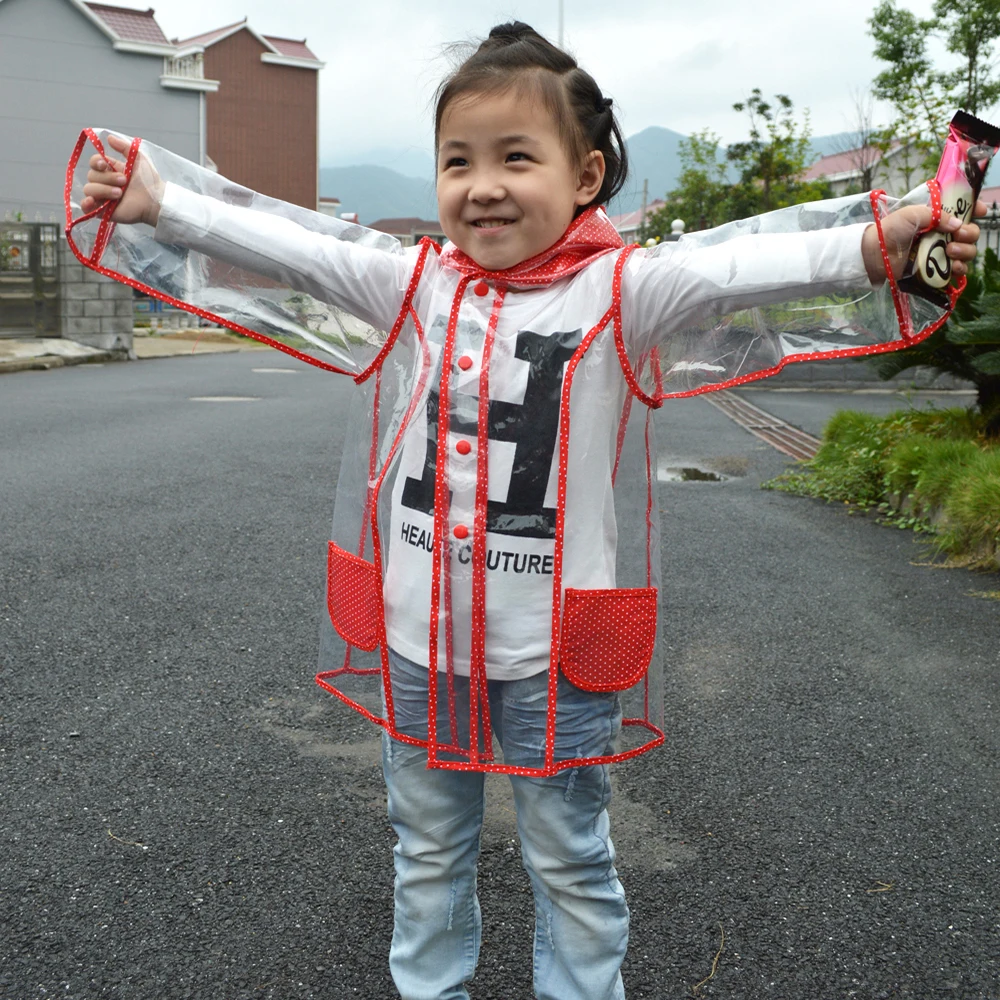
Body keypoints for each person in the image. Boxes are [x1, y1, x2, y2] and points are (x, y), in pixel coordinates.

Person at [79, 21, 984, 1000]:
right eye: (457, 160)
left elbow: (741, 267)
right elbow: (297, 246)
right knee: (425, 851)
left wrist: (871, 242)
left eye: (517, 157)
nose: (483, 185)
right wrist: (163, 201)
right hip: (422, 644)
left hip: (560, 653)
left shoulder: (623, 291)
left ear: (585, 175)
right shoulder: (412, 283)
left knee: (572, 858)